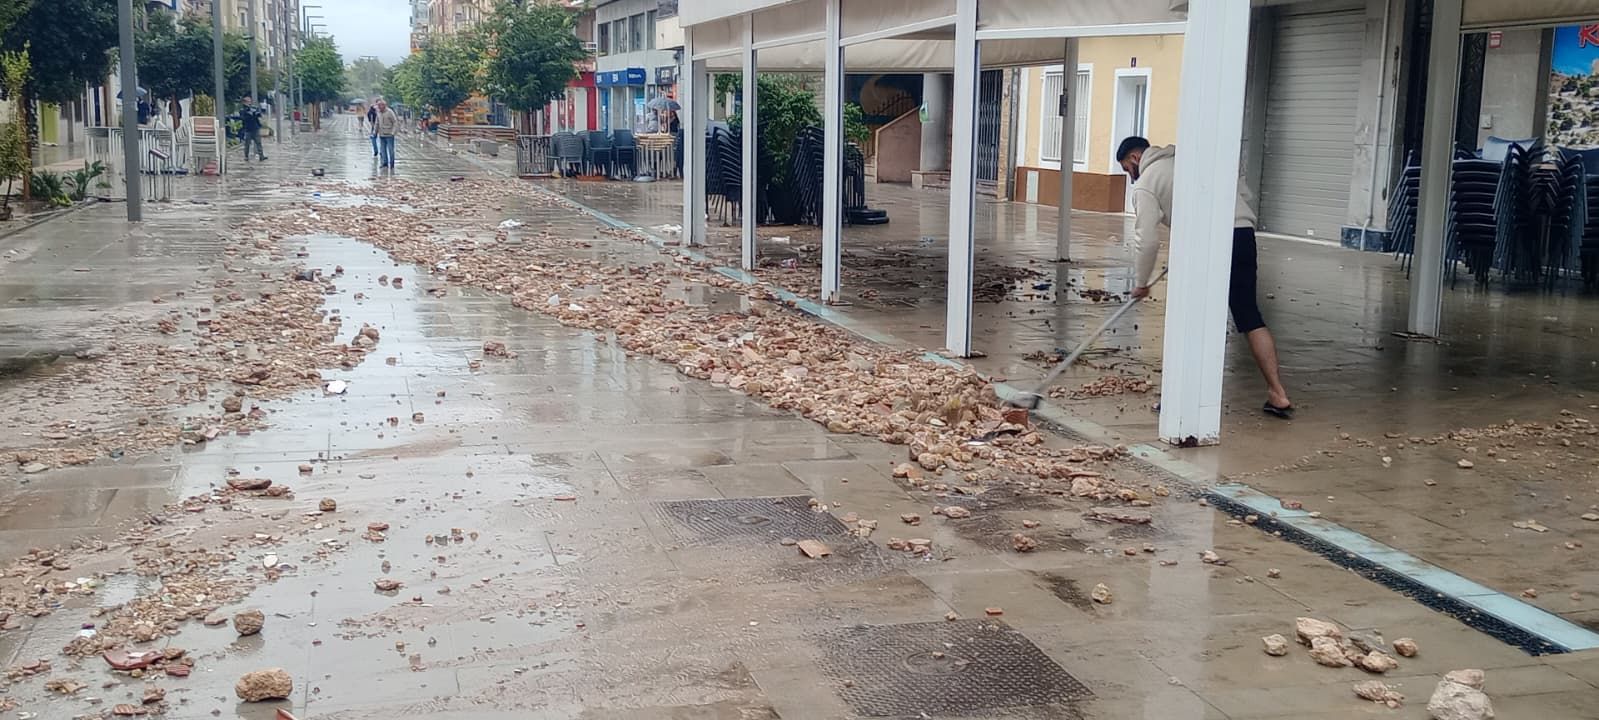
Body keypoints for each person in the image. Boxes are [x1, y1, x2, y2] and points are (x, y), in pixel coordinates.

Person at [1115, 135, 1293, 418]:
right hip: (1241, 233)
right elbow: (1243, 192)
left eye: (1127, 169)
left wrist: (1141, 282)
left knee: (1188, 321)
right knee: (1249, 315)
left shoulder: (1147, 182)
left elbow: (1146, 240)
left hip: (1209, 240)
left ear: (1135, 158)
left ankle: (1177, 397)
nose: (1130, 176)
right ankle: (1278, 393)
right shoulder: (1192, 160)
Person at [236, 96, 267, 162]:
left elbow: (258, 116)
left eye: (250, 101)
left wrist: (256, 113)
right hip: (248, 129)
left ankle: (261, 156)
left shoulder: (253, 108)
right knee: (247, 144)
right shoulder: (242, 110)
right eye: (248, 101)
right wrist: (248, 112)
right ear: (244, 102)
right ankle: (246, 156)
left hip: (255, 128)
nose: (249, 103)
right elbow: (243, 117)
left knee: (258, 143)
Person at [374, 99, 399, 169]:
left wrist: (393, 132)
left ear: (384, 105)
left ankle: (392, 164)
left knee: (391, 150)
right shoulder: (378, 112)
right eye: (378, 106)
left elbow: (395, 122)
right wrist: (375, 132)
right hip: (381, 134)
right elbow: (377, 123)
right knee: (383, 150)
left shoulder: (390, 112)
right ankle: (385, 163)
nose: (379, 107)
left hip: (389, 134)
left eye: (380, 106)